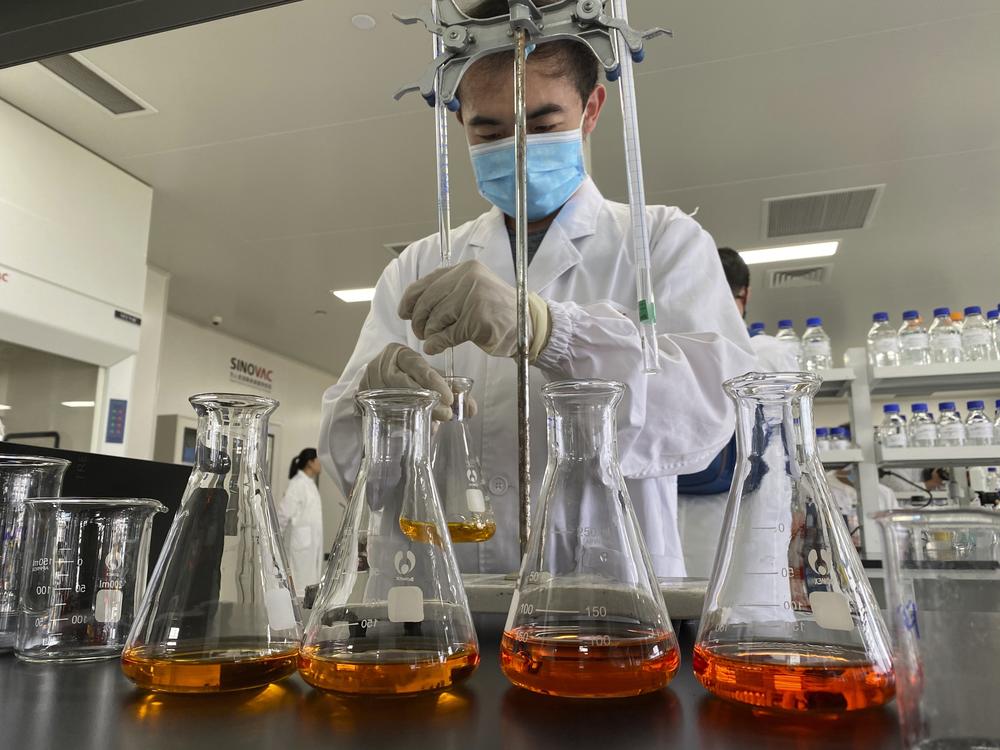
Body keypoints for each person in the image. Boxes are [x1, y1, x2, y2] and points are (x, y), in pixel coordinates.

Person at [319, 0, 756, 576]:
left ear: (592, 108)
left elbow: (708, 418)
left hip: (604, 606)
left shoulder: (663, 242)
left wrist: (552, 333)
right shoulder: (419, 264)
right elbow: (353, 469)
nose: (517, 149)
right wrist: (375, 405)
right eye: (490, 130)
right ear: (458, 121)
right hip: (438, 603)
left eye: (544, 125)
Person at [677, 247, 799, 577]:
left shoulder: (672, 354)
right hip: (748, 523)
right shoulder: (770, 353)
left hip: (674, 525)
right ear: (744, 294)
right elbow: (790, 450)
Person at [277, 448, 325, 591]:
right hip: (301, 548)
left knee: (309, 586)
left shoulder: (309, 484)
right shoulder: (297, 484)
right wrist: (273, 545)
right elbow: (283, 514)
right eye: (318, 460)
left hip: (309, 547)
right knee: (300, 588)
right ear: (310, 463)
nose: (321, 464)